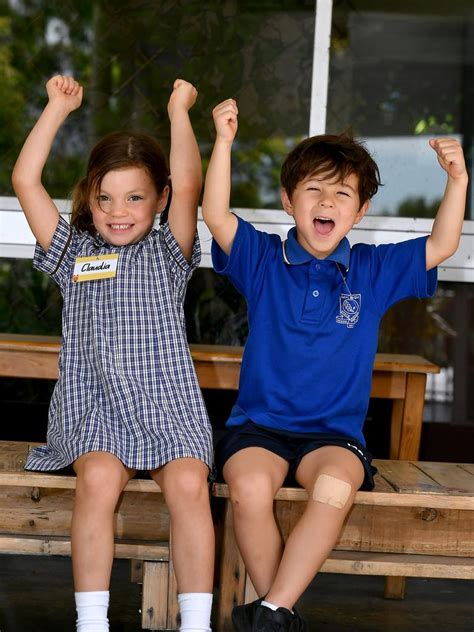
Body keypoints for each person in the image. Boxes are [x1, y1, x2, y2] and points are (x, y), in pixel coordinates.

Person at [201, 98, 468, 632]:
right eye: (314, 190)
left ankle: (271, 611)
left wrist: (458, 179)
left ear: (361, 210)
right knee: (249, 489)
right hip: (258, 430)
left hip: (333, 437)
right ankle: (280, 613)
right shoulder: (262, 258)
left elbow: (441, 244)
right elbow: (213, 215)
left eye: (342, 193)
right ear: (288, 200)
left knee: (333, 489)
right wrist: (224, 143)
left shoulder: (372, 269)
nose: (327, 202)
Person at [12, 75, 215, 632]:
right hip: (95, 406)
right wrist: (55, 109)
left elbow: (191, 181)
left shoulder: (168, 251)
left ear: (160, 198)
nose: (117, 211)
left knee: (190, 485)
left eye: (134, 197)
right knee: (98, 479)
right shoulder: (72, 251)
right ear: (90, 197)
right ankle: (91, 623)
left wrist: (179, 110)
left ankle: (195, 623)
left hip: (166, 405)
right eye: (105, 197)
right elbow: (25, 180)